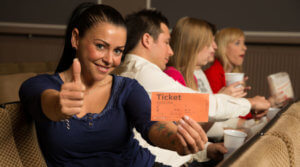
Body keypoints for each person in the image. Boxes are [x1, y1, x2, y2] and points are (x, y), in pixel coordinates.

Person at [19, 3, 208, 167]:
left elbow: (153, 124)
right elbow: (45, 101)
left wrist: (177, 140)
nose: (110, 60)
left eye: (118, 51)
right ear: (76, 39)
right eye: (101, 46)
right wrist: (59, 106)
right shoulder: (39, 85)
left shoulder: (128, 88)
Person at [114, 9, 270, 166]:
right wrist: (250, 103)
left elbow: (173, 128)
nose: (171, 51)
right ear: (147, 40)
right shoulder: (143, 72)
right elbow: (202, 106)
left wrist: (205, 149)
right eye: (166, 42)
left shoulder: (129, 70)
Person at [205, 27, 287, 119]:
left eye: (243, 43)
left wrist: (261, 106)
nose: (244, 48)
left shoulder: (235, 74)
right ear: (222, 47)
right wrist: (260, 104)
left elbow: (236, 111)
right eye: (237, 43)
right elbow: (220, 112)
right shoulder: (212, 74)